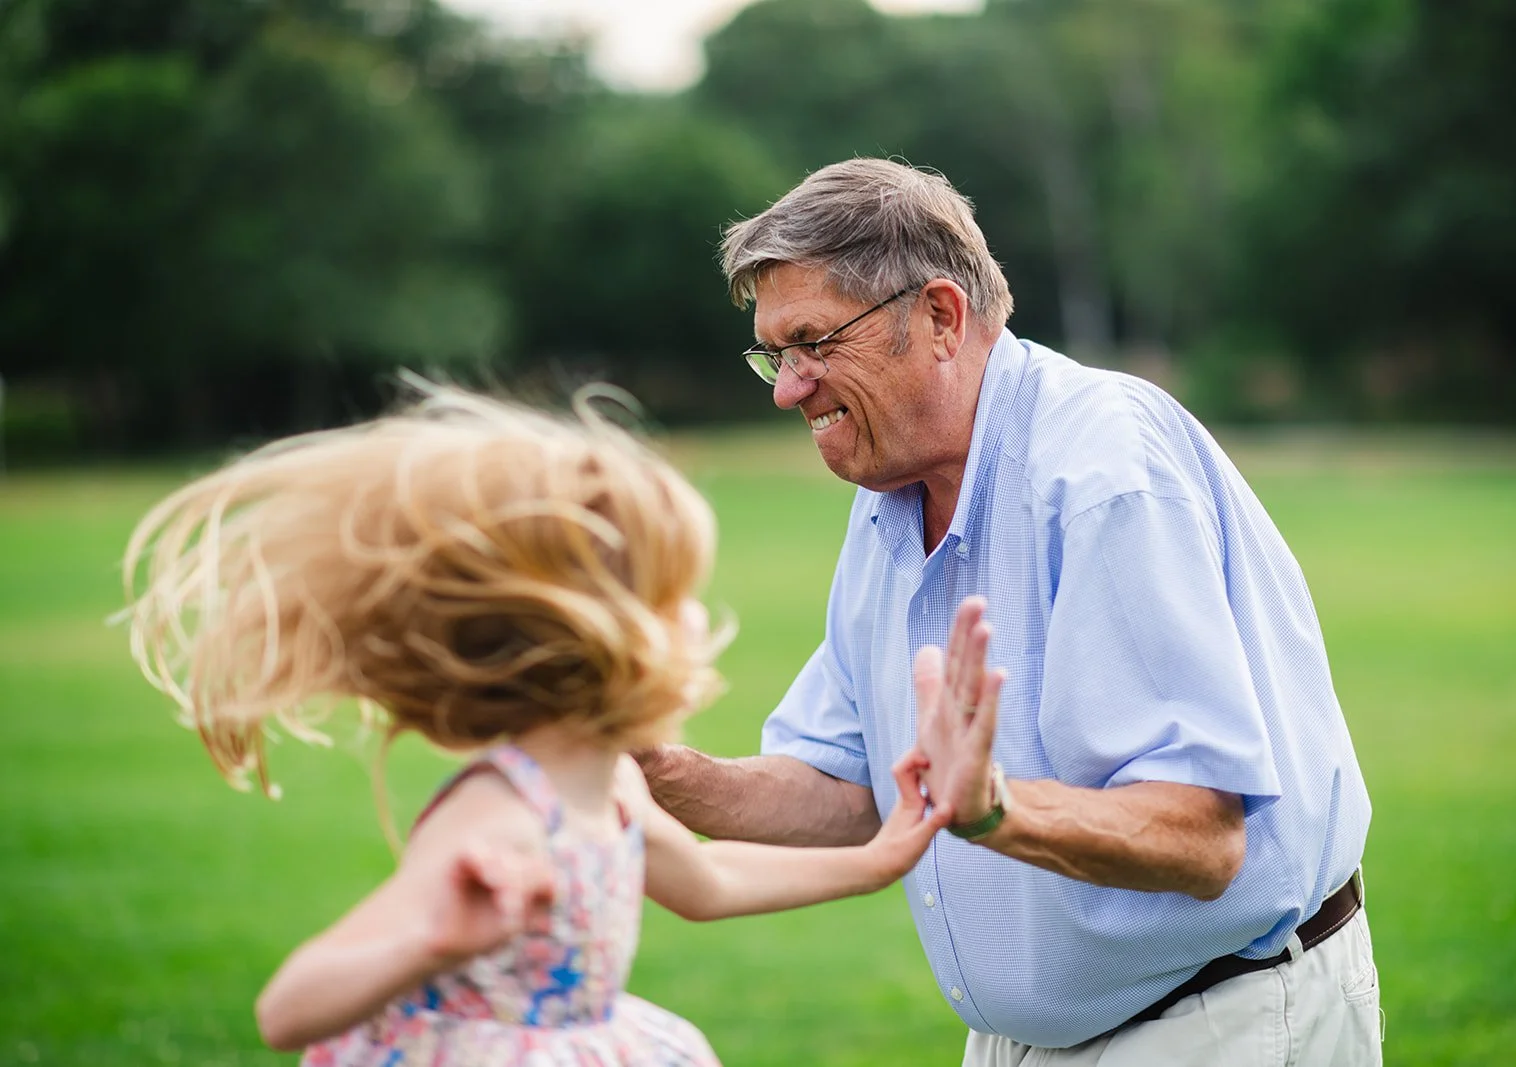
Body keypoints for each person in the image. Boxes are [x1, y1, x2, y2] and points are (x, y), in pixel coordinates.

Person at [636, 158, 1382, 1065]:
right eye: (775, 356)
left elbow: (1201, 834)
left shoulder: (1102, 470)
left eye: (815, 344)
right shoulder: (888, 497)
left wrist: (996, 810)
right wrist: (653, 770)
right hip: (1027, 1038)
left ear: (941, 318)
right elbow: (858, 789)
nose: (790, 388)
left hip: (1215, 1018)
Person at [121, 383, 950, 1066]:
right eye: (676, 602)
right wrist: (437, 940)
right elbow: (288, 1009)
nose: (701, 623)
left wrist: (879, 860)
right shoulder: (504, 815)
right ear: (599, 638)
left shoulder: (613, 784)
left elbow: (708, 884)